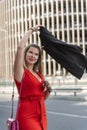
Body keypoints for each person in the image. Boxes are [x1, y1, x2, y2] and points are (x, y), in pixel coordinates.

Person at [14, 25, 52, 130]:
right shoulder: (20, 72)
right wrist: (31, 30)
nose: (33, 56)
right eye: (30, 52)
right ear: (25, 54)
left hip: (41, 113)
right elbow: (20, 47)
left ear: (38, 58)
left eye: (36, 54)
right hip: (27, 115)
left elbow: (42, 98)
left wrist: (48, 91)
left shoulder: (39, 74)